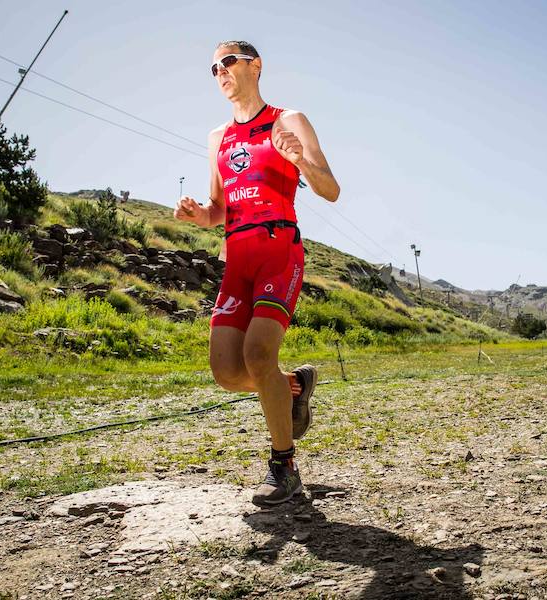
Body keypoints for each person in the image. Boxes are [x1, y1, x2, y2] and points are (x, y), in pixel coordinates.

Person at [174, 41, 340, 505]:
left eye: (227, 62)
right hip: (237, 258)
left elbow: (331, 189)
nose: (219, 72)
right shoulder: (217, 138)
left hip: (277, 249)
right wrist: (197, 215)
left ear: (255, 65)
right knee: (227, 371)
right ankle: (294, 387)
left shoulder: (289, 120)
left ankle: (283, 467)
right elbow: (218, 211)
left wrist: (299, 161)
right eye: (212, 68)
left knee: (258, 353)